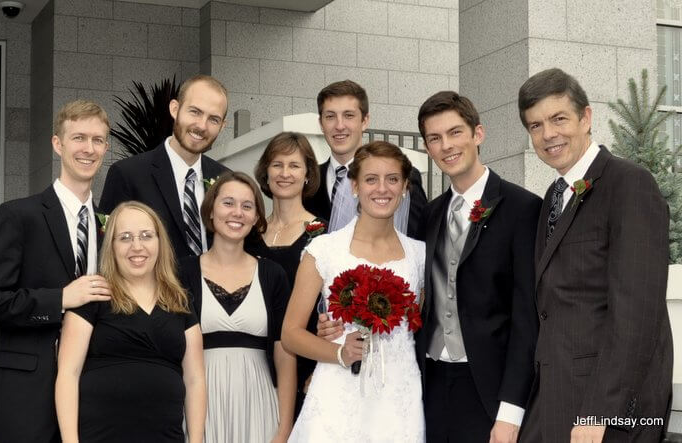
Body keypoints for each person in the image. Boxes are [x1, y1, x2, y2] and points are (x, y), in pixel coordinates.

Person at [517, 68, 672, 442]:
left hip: (608, 410)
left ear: (586, 118)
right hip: (555, 396)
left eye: (558, 119)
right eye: (535, 126)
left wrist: (599, 414)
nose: (548, 134)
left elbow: (637, 315)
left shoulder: (629, 185)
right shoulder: (553, 198)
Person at [0, 100, 113, 443]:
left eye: (97, 140)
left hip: (91, 392)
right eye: (78, 138)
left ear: (106, 147)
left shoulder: (112, 226)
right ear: (58, 144)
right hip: (25, 396)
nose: (88, 148)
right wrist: (60, 299)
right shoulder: (18, 216)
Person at [414, 91, 540, 443]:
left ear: (478, 134)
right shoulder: (431, 213)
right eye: (435, 138)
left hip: (489, 388)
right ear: (427, 147)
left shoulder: (523, 208)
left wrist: (511, 410)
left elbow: (527, 319)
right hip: (432, 382)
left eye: (455, 132)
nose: (446, 146)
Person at [282, 141, 426, 443]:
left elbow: (420, 324)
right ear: (355, 186)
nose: (382, 189)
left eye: (393, 179)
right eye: (371, 179)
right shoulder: (323, 250)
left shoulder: (419, 255)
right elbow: (291, 334)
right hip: (338, 394)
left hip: (399, 398)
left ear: (405, 188)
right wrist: (339, 352)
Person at [55, 201, 206, 442]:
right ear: (112, 246)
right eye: (125, 237)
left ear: (160, 242)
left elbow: (195, 379)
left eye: (146, 236)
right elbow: (68, 374)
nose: (137, 246)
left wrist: (196, 440)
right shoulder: (92, 294)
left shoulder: (180, 300)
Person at [178, 171, 296, 443]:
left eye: (247, 206)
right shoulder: (182, 272)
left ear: (256, 218)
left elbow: (285, 353)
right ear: (211, 211)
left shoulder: (272, 275)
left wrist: (284, 427)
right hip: (199, 405)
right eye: (228, 203)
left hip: (260, 404)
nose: (237, 213)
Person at [99, 74, 230, 262]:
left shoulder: (226, 180)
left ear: (222, 126)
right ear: (175, 109)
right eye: (195, 112)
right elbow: (106, 249)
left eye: (214, 119)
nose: (202, 125)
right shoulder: (127, 174)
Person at [246, 132, 327, 417]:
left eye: (294, 165)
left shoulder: (323, 235)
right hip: (252, 363)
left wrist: (320, 369)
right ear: (265, 173)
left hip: (304, 366)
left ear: (307, 174)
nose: (284, 173)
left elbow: (333, 311)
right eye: (277, 164)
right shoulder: (247, 233)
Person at [303, 80, 427, 235]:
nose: (339, 125)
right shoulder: (308, 181)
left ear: (365, 121)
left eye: (349, 115)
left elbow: (418, 237)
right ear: (321, 123)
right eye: (330, 116)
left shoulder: (403, 176)